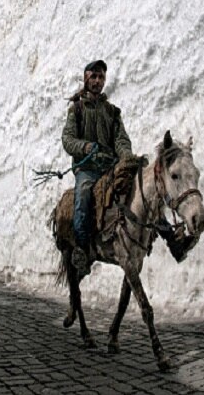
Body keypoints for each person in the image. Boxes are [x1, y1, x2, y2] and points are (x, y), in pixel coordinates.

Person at [62, 60, 133, 277]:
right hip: (88, 169)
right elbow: (67, 139)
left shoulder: (112, 112)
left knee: (137, 188)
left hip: (110, 167)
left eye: (101, 77)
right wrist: (84, 146)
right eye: (94, 76)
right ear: (86, 78)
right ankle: (82, 249)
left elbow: (121, 139)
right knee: (83, 194)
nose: (97, 81)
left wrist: (126, 156)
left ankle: (169, 236)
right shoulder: (77, 109)